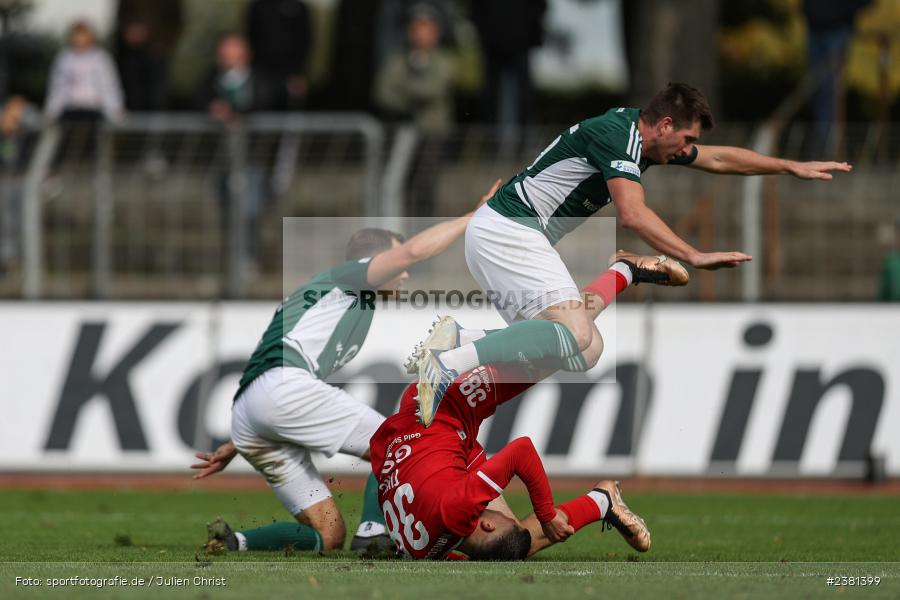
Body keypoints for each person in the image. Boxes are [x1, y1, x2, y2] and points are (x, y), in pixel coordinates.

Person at [414, 82, 852, 427]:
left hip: (506, 235)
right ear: (663, 125)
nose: (687, 149)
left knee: (584, 351)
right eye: (684, 138)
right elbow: (633, 214)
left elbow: (717, 159)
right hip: (510, 230)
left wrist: (788, 167)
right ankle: (448, 362)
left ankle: (462, 340)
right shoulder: (617, 136)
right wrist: (694, 256)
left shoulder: (639, 141)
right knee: (577, 334)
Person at [191, 180, 502, 555]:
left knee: (329, 535)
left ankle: (235, 542)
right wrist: (473, 216)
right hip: (282, 390)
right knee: (393, 444)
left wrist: (239, 439)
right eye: (395, 261)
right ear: (372, 261)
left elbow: (270, 359)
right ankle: (373, 531)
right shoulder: (348, 278)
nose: (404, 274)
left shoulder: (335, 295)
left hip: (252, 409)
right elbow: (414, 252)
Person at [373, 250, 684, 559]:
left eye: (499, 518)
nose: (497, 505)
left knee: (582, 347)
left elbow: (520, 452)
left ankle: (463, 340)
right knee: (510, 550)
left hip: (448, 401)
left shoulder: (460, 508)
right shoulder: (424, 552)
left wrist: (546, 514)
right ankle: (603, 501)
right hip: (432, 436)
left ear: (486, 525)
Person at [373, 2, 455, 216]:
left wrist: (404, 88)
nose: (420, 33)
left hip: (432, 132)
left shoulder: (444, 61)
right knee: (397, 183)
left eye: (426, 27)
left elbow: (433, 89)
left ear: (436, 31)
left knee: (425, 186)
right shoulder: (397, 60)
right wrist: (411, 94)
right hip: (402, 132)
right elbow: (384, 93)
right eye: (416, 26)